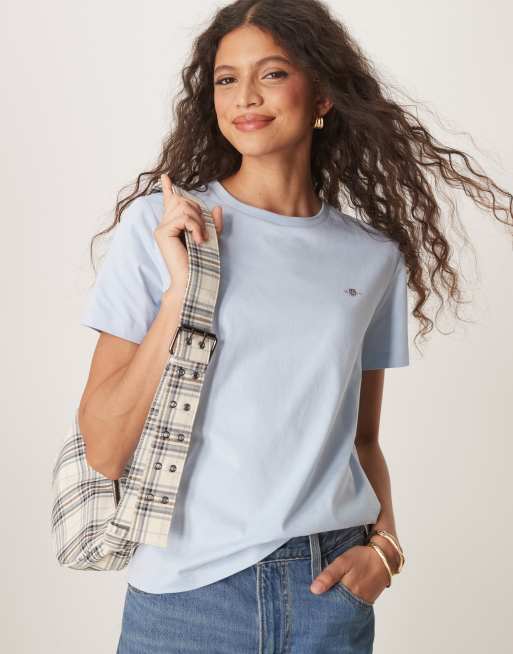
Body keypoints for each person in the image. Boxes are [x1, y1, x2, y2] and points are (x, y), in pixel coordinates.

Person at [77, 1, 513, 652]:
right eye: (226, 79)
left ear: (322, 95)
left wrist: (386, 547)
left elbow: (361, 439)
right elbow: (105, 450)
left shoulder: (371, 257)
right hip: (186, 601)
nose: (245, 97)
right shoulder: (162, 227)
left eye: (273, 73)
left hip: (327, 594)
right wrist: (181, 294)